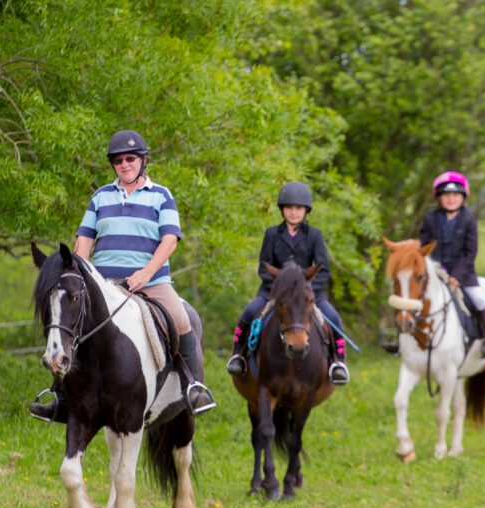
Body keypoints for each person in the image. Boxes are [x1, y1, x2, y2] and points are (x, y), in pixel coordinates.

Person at [30, 129, 215, 421]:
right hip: (106, 284)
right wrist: (76, 269)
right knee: (73, 325)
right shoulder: (100, 197)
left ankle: (193, 385)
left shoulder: (161, 196)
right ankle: (61, 396)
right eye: (118, 161)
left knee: (182, 318)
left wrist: (146, 273)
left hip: (151, 283)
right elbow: (84, 240)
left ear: (143, 161)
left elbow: (170, 241)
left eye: (130, 158)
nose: (124, 164)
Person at [225, 181, 350, 384]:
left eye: (298, 209)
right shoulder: (272, 234)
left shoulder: (314, 235)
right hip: (274, 293)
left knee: (334, 318)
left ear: (305, 211)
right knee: (249, 312)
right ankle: (238, 355)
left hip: (308, 295)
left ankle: (339, 363)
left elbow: (323, 269)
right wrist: (277, 288)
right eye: (289, 208)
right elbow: (264, 266)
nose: (293, 213)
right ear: (282, 210)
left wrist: (307, 289)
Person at [420, 170, 485, 357]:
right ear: (439, 197)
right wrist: (433, 270)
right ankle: (402, 340)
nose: (451, 199)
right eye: (446, 195)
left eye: (455, 195)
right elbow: (424, 246)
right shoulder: (430, 218)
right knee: (413, 299)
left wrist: (456, 276)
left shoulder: (468, 219)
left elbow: (470, 252)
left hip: (462, 275)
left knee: (479, 299)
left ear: (463, 197)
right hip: (435, 274)